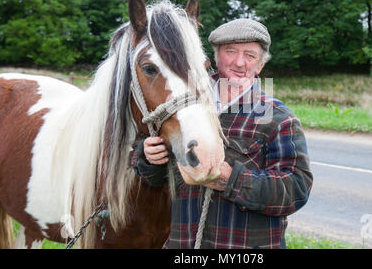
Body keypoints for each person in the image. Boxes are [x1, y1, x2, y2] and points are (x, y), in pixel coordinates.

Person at [132, 19, 313, 249]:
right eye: (231, 51)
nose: (240, 62)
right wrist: (149, 158)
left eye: (250, 55)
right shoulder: (183, 107)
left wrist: (232, 181)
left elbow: (297, 190)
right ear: (215, 58)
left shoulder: (278, 118)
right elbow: (154, 179)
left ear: (260, 65)